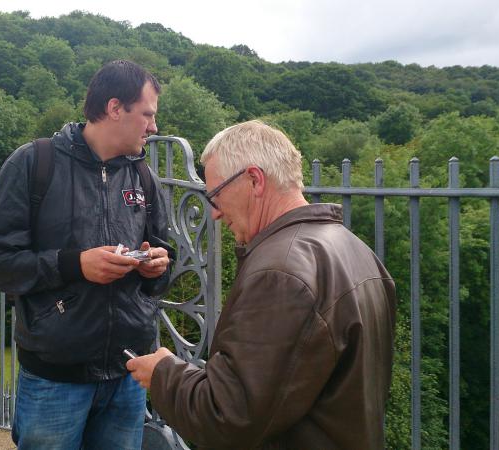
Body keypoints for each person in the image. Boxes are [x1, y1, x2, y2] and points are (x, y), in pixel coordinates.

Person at [127, 120, 396, 449]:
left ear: (254, 179)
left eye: (215, 196)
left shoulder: (281, 274)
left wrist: (163, 374)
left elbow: (229, 417)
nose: (214, 214)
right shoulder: (355, 250)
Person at [0, 60, 173, 449]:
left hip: (128, 371)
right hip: (55, 377)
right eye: (147, 114)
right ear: (116, 108)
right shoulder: (34, 163)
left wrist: (156, 266)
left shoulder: (143, 176)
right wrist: (75, 264)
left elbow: (165, 253)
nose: (154, 127)